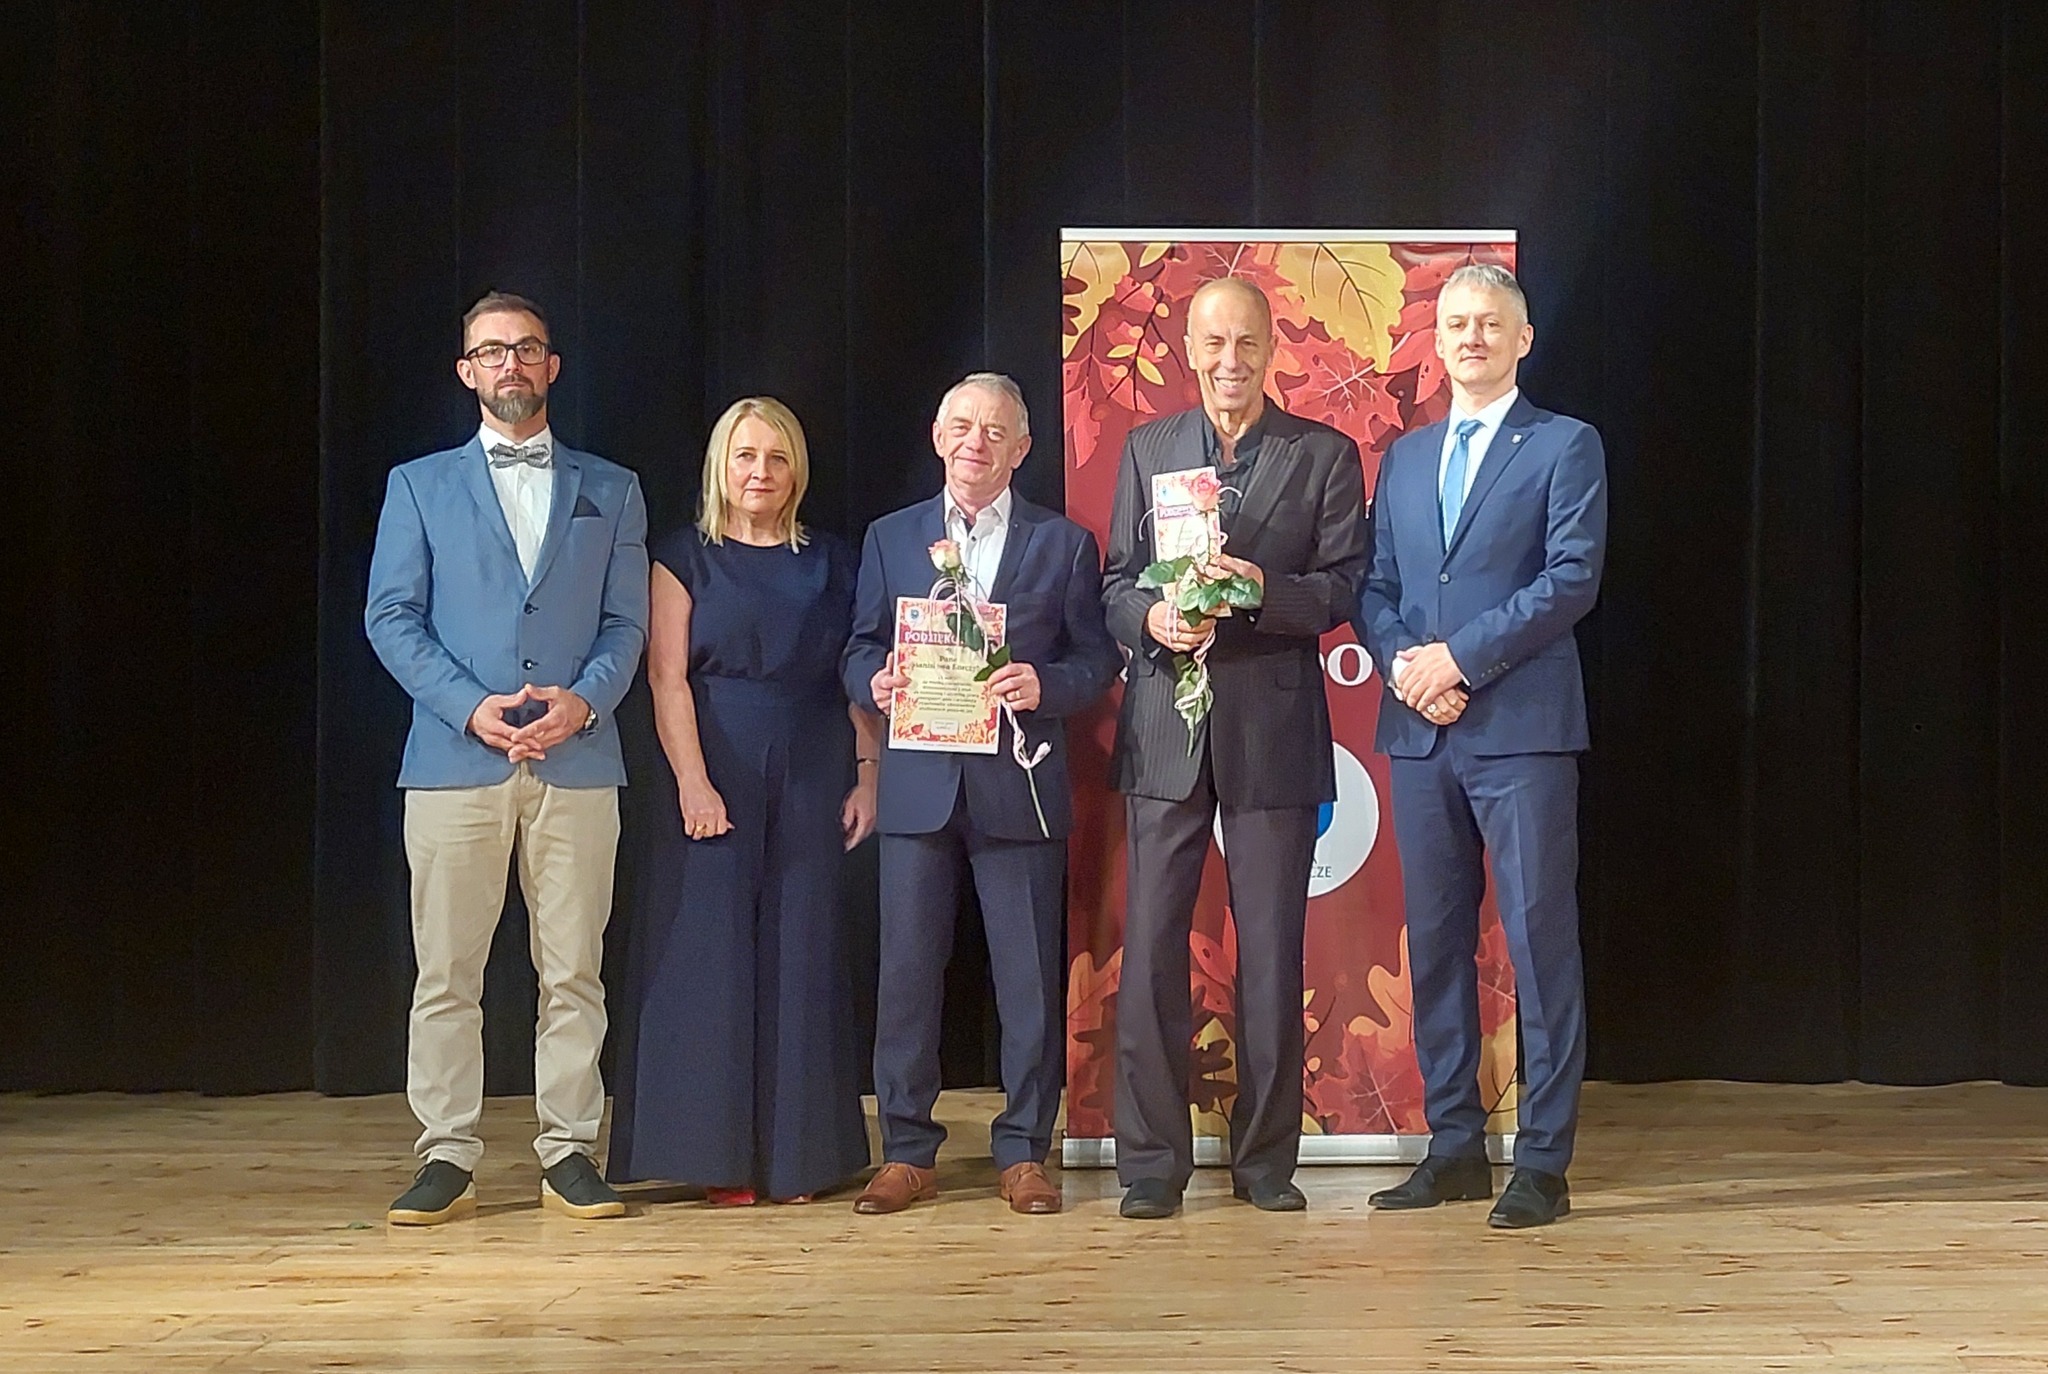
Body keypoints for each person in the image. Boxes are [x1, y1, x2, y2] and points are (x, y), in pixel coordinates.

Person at [365, 290, 649, 1225]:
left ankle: (569, 1148)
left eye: (527, 348)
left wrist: (583, 701)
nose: (511, 364)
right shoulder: (418, 485)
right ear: (467, 371)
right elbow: (390, 617)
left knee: (574, 972)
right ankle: (446, 1152)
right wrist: (468, 707)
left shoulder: (612, 487)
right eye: (492, 351)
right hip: (455, 763)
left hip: (578, 761)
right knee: (447, 973)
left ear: (552, 366)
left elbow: (626, 622)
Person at [1101, 277, 1369, 1220]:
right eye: (1213, 343)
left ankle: (1265, 1163)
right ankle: (1150, 1164)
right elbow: (1117, 584)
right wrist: (1152, 619)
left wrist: (1261, 590)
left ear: (1271, 349)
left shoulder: (1323, 454)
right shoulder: (1148, 449)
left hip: (1272, 729)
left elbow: (1343, 588)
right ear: (1189, 350)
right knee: (1151, 950)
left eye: (1246, 342)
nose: (1230, 360)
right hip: (1164, 730)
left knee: (1270, 952)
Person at [1353, 263, 1607, 1229]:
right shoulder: (1406, 457)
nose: (1471, 337)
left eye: (1490, 323)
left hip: (1521, 735)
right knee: (1435, 948)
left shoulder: (1566, 444)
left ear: (1522, 338)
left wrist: (1459, 659)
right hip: (1422, 735)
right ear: (1438, 339)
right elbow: (1375, 585)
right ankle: (1454, 1147)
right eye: (1456, 323)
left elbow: (1571, 579)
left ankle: (1542, 1162)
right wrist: (1407, 667)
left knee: (1541, 946)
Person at [841, 372, 1119, 1216]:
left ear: (1021, 449)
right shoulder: (891, 537)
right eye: (962, 426)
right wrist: (874, 679)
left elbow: (1096, 660)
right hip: (919, 786)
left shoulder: (1063, 545)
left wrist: (1047, 685)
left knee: (1028, 980)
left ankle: (1024, 1151)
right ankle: (907, 1151)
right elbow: (856, 647)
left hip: (1018, 784)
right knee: (906, 976)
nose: (976, 442)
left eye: (995, 431)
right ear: (937, 437)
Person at [607, 397, 878, 1205]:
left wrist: (869, 776)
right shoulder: (680, 557)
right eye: (746, 456)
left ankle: (801, 1160)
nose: (761, 471)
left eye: (777, 457)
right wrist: (693, 783)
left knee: (804, 954)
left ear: (797, 470)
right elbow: (666, 679)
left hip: (813, 764)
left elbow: (855, 677)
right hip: (714, 763)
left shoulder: (834, 561)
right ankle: (717, 1161)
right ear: (720, 467)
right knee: (711, 958)